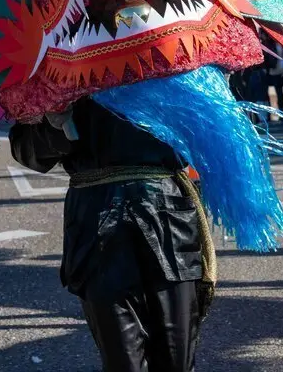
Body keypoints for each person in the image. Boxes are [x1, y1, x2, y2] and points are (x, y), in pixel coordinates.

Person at [10, 97, 206, 371]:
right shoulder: (51, 64)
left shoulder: (176, 60)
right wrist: (54, 123)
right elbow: (27, 150)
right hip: (95, 218)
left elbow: (208, 134)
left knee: (177, 356)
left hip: (165, 212)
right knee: (121, 359)